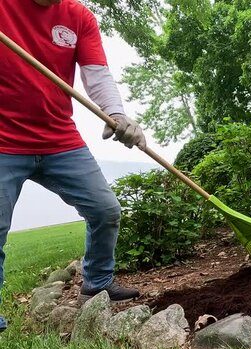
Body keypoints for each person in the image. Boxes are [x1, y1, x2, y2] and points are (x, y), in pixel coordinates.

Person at [0, 0, 147, 332]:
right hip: (4, 142)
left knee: (105, 210)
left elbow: (97, 74)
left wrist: (117, 114)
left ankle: (97, 281)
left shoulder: (79, 17)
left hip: (59, 140)